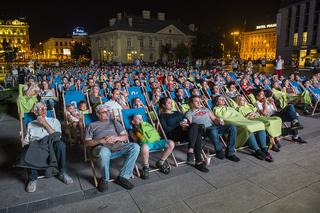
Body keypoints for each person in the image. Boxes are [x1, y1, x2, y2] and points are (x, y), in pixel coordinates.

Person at [85, 104, 140, 192]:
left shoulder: (114, 122)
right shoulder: (91, 125)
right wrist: (100, 141)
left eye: (108, 111)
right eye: (104, 112)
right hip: (100, 148)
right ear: (98, 114)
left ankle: (123, 177)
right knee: (104, 151)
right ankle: (104, 179)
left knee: (135, 147)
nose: (107, 113)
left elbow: (125, 136)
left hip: (117, 146)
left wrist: (116, 138)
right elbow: (87, 143)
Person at [19, 102, 73, 192]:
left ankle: (62, 173)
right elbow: (27, 140)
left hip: (51, 143)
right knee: (27, 149)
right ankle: (32, 179)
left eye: (45, 108)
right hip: (36, 145)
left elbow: (57, 137)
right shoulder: (31, 124)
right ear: (36, 113)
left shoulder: (54, 121)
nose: (44, 110)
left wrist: (45, 124)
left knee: (61, 145)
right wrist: (25, 145)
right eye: (41, 109)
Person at [212, 95, 273, 162]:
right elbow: (221, 118)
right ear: (216, 102)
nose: (223, 100)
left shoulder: (228, 107)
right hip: (233, 121)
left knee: (260, 124)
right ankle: (257, 150)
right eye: (221, 99)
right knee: (247, 127)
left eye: (223, 99)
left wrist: (245, 117)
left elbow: (238, 114)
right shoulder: (215, 109)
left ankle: (264, 148)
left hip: (242, 120)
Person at [159, 97, 209, 172]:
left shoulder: (177, 112)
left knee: (194, 125)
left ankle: (191, 150)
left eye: (171, 102)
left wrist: (185, 123)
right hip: (174, 135)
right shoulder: (162, 116)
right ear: (163, 105)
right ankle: (198, 161)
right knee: (197, 133)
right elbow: (166, 129)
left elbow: (187, 120)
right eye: (169, 103)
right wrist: (178, 124)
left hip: (185, 132)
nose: (171, 104)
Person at [186, 95, 240, 162]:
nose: (199, 103)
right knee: (213, 130)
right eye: (196, 101)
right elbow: (191, 124)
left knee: (232, 127)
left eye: (199, 101)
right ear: (191, 103)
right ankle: (219, 150)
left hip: (213, 126)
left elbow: (214, 119)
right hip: (203, 129)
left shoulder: (205, 109)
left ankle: (230, 152)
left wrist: (219, 121)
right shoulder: (189, 113)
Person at [129, 113, 175, 179]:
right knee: (144, 147)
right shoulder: (132, 130)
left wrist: (155, 125)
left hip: (157, 141)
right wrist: (138, 130)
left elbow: (156, 133)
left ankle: (161, 162)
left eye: (141, 118)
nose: (140, 119)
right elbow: (135, 140)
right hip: (146, 144)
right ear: (133, 122)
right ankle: (146, 166)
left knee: (171, 143)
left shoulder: (148, 125)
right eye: (138, 118)